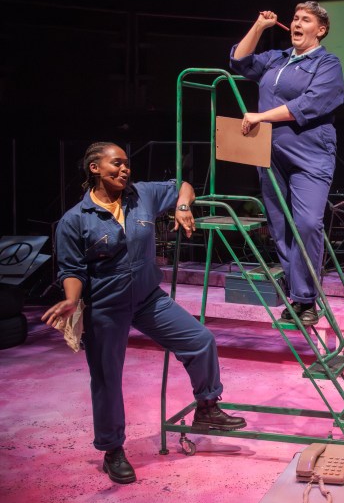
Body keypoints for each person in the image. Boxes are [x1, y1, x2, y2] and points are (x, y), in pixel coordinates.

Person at [41, 142, 246, 485]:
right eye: (116, 164)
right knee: (107, 379)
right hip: (105, 306)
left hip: (148, 298)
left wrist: (182, 206)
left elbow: (184, 185)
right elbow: (71, 269)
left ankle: (207, 407)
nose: (124, 170)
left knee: (200, 339)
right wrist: (72, 300)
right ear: (94, 168)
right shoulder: (75, 220)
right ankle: (113, 450)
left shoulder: (142, 195)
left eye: (126, 164)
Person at [230, 2, 344, 326]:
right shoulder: (276, 59)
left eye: (305, 20)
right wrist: (259, 26)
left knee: (307, 223)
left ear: (320, 30)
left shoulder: (327, 63)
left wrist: (261, 116)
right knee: (280, 226)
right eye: (295, 18)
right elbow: (239, 61)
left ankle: (307, 298)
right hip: (269, 151)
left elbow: (311, 103)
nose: (296, 23)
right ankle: (297, 296)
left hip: (310, 152)